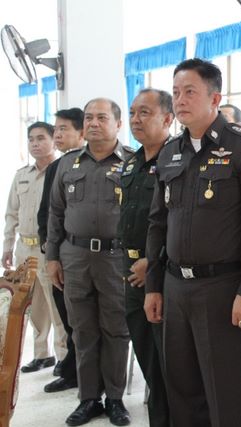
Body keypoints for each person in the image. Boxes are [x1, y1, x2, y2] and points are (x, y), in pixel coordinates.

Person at [144, 58, 241, 426]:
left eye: (190, 92)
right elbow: (157, 223)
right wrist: (154, 286)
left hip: (223, 289)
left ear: (215, 98)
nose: (180, 100)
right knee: (183, 391)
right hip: (175, 288)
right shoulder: (170, 151)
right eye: (176, 92)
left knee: (226, 391)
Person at [47, 98, 134, 426]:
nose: (94, 123)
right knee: (82, 330)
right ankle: (88, 398)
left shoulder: (133, 162)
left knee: (116, 329)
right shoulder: (68, 164)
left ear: (118, 124)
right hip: (75, 257)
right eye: (88, 118)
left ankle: (115, 398)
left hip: (116, 259)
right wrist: (52, 258)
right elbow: (56, 213)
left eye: (101, 117)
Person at [120, 89, 173, 426]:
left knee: (171, 368)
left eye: (145, 113)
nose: (136, 120)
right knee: (149, 364)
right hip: (131, 274)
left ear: (167, 119)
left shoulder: (178, 159)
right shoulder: (131, 161)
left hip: (164, 276)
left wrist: (154, 263)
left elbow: (182, 222)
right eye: (132, 113)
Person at [3, 122, 66, 374]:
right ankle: (42, 354)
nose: (35, 144)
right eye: (31, 139)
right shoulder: (22, 175)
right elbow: (11, 213)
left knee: (55, 304)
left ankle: (63, 357)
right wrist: (7, 246)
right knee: (32, 304)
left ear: (53, 140)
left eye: (41, 138)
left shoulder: (60, 172)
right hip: (24, 249)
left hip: (47, 249)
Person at [38, 108, 85, 393]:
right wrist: (50, 250)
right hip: (61, 254)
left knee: (84, 322)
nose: (57, 134)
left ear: (81, 132)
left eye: (64, 128)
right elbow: (47, 212)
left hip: (87, 256)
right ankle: (72, 370)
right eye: (56, 128)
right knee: (67, 318)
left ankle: (87, 375)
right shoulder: (57, 166)